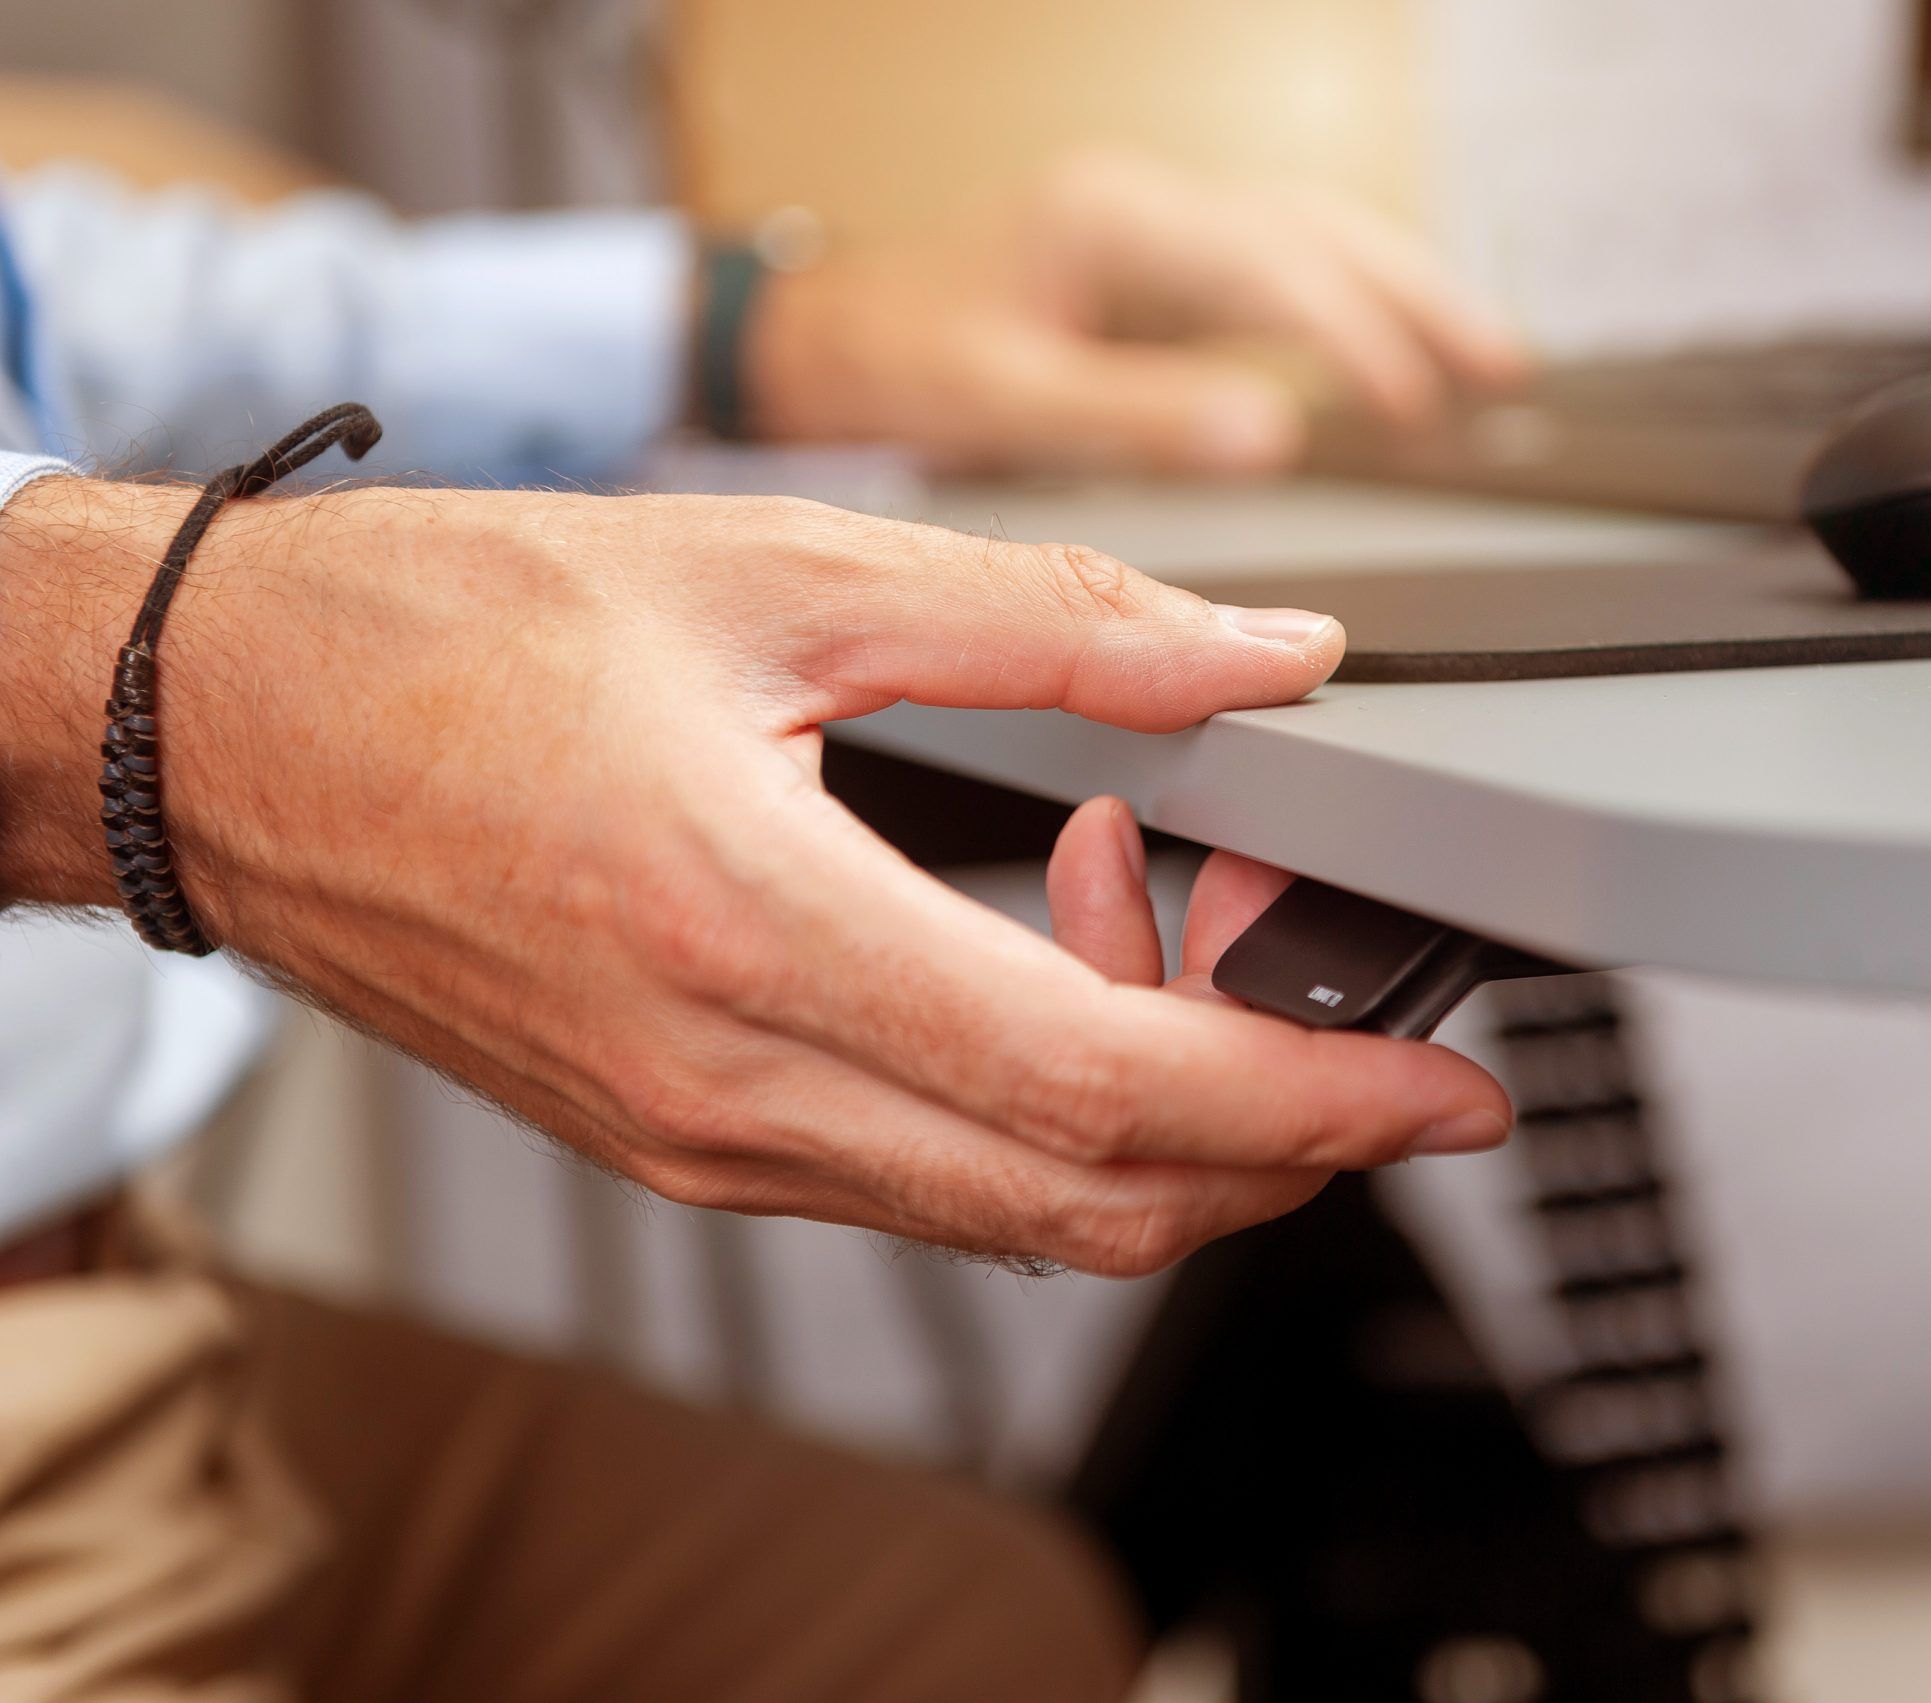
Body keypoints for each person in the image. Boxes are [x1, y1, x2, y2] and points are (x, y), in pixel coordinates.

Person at [0, 145, 1524, 1700]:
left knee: (977, 1625)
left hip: (122, 1293)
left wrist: (765, 326)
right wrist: (156, 691)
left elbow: (47, 289)